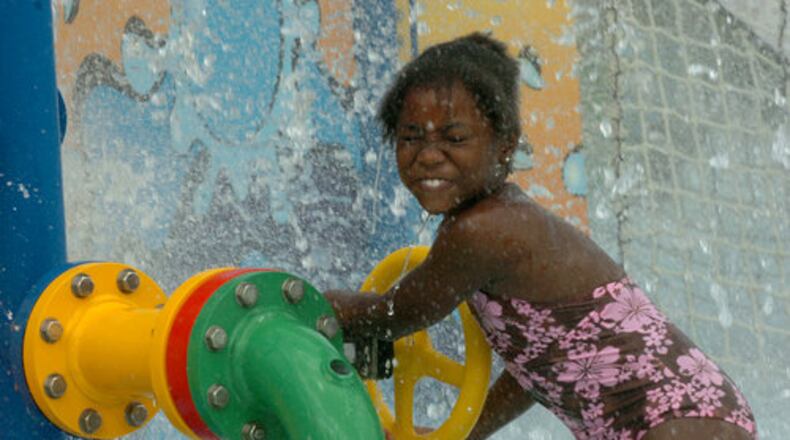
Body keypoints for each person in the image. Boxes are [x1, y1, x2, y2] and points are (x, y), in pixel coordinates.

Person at [324, 32, 756, 440]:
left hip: (677, 424)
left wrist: (311, 303)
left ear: (506, 146)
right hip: (699, 416)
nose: (429, 156)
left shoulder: (483, 231)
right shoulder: (501, 222)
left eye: (454, 138)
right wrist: (464, 434)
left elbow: (396, 314)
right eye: (409, 137)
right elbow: (533, 370)